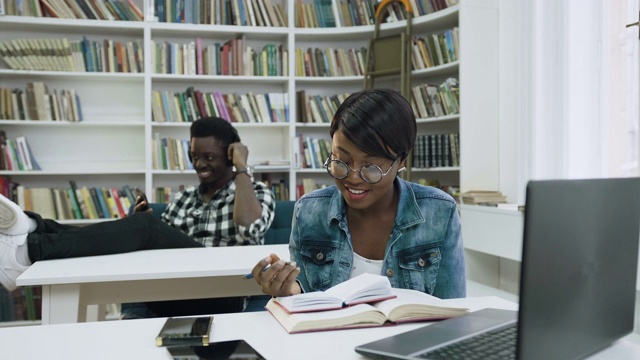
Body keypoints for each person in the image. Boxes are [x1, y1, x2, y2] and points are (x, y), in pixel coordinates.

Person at [0, 117, 275, 316]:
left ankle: (27, 250)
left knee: (147, 228)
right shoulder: (183, 199)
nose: (199, 164)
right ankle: (35, 229)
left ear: (230, 156)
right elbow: (160, 247)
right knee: (139, 229)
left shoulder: (256, 192)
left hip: (224, 294)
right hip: (175, 288)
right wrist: (137, 226)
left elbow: (249, 225)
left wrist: (242, 168)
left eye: (209, 157)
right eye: (194, 156)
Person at [250, 88, 466, 299]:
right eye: (341, 161)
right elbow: (304, 296)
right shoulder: (309, 211)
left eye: (371, 167)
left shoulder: (440, 212)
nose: (353, 177)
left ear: (401, 160)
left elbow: (452, 308)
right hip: (330, 334)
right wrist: (288, 291)